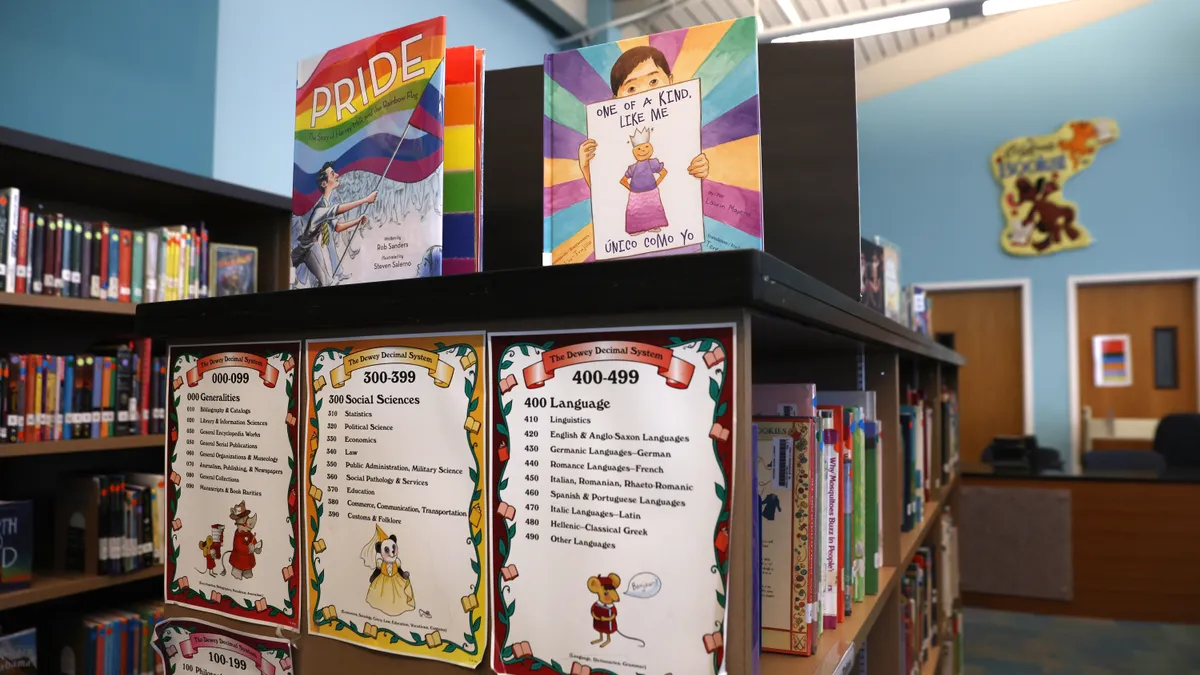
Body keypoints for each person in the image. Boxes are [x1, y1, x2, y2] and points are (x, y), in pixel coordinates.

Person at [577, 46, 710, 190]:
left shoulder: (684, 130)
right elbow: (609, 194)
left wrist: (700, 171)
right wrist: (587, 168)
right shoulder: (611, 141)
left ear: (670, 82)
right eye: (632, 88)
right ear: (616, 99)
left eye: (653, 81)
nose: (645, 93)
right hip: (635, 206)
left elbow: (685, 186)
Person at [291, 161, 376, 286]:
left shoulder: (326, 204)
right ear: (324, 183)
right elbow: (338, 209)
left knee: (326, 282)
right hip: (301, 251)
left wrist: (358, 221)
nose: (337, 175)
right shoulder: (320, 209)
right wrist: (365, 200)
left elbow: (337, 227)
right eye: (332, 174)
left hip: (310, 251)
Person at [621, 127, 669, 235]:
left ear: (651, 148)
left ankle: (653, 226)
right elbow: (623, 180)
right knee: (636, 211)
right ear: (634, 151)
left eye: (646, 146)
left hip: (651, 192)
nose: (643, 150)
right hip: (636, 195)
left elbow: (663, 172)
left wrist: (656, 183)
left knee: (653, 209)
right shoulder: (632, 168)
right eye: (639, 148)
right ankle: (636, 229)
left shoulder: (653, 163)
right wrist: (632, 189)